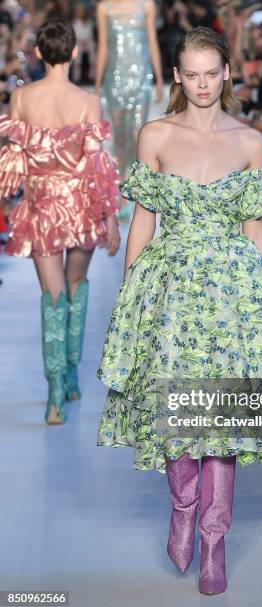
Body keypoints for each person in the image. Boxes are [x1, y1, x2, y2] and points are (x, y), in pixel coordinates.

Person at [96, 26, 262, 596]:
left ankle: (214, 539)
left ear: (226, 72)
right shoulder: (154, 135)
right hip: (170, 286)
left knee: (222, 416)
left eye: (211, 72)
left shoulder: (250, 142)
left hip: (232, 288)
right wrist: (129, 293)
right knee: (178, 403)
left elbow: (255, 230)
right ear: (177, 76)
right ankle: (182, 507)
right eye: (191, 74)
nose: (202, 84)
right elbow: (144, 220)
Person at [0, 18, 121, 424]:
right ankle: (69, 376)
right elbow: (97, 166)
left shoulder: (22, 99)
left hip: (40, 206)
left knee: (52, 297)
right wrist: (110, 218)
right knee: (75, 287)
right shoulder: (88, 101)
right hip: (81, 205)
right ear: (73, 53)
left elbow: (13, 159)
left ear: (38, 52)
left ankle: (55, 393)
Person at [95, 0, 164, 221]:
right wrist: (97, 84)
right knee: (120, 137)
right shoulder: (104, 8)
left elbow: (152, 41)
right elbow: (103, 46)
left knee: (136, 135)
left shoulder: (147, 6)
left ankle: (131, 187)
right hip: (114, 80)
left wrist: (159, 79)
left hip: (141, 79)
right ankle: (121, 194)